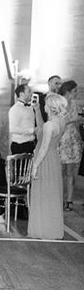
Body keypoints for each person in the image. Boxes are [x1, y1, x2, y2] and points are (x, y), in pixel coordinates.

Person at [28, 93, 67, 239]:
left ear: (50, 107)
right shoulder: (60, 121)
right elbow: (41, 131)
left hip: (44, 160)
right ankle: (50, 229)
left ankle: (42, 230)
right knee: (51, 194)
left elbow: (43, 146)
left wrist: (35, 165)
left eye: (44, 104)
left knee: (43, 194)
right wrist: (36, 109)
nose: (43, 105)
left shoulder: (50, 125)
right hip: (53, 160)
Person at [57, 81, 82, 211]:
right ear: (67, 91)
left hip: (73, 140)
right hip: (61, 139)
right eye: (74, 91)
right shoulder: (59, 103)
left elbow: (74, 121)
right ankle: (59, 199)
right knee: (60, 172)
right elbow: (58, 121)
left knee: (71, 172)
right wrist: (73, 119)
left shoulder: (74, 104)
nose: (77, 93)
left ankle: (69, 200)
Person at [9, 84, 43, 154]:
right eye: (29, 91)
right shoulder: (15, 109)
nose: (32, 93)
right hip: (20, 145)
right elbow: (13, 129)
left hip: (32, 144)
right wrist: (32, 130)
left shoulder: (30, 107)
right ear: (22, 94)